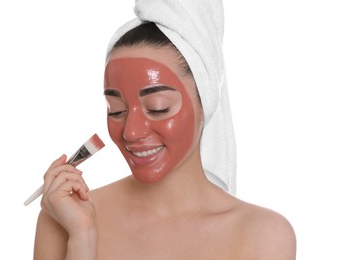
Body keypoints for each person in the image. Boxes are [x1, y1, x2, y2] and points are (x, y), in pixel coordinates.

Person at [34, 1, 296, 259]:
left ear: (204, 102)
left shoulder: (263, 235)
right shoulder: (64, 216)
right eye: (116, 110)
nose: (131, 132)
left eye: (158, 108)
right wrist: (83, 237)